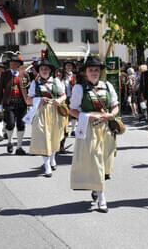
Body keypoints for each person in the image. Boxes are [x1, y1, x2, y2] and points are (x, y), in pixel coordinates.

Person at [69, 56, 119, 213]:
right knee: (96, 160)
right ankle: (102, 199)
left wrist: (110, 115)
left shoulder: (107, 86)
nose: (94, 72)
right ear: (85, 72)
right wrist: (88, 116)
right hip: (89, 129)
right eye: (90, 70)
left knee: (104, 163)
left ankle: (96, 188)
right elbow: (72, 110)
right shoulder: (79, 88)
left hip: (106, 130)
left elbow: (116, 106)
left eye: (96, 70)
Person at [25, 59, 67, 177]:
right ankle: (47, 166)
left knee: (54, 137)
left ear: (50, 70)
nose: (44, 71)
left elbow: (63, 95)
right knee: (44, 138)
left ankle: (52, 158)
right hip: (40, 113)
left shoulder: (56, 82)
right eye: (42, 69)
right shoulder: (35, 83)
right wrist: (39, 99)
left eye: (46, 69)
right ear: (39, 71)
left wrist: (58, 100)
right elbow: (28, 100)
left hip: (54, 112)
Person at [0, 53, 29, 155]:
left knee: (21, 125)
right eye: (11, 64)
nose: (13, 65)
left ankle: (19, 147)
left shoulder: (25, 75)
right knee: (10, 124)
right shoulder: (5, 75)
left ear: (19, 65)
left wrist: (31, 102)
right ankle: (10, 142)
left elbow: (28, 89)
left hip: (22, 103)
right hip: (9, 103)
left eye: (15, 64)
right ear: (9, 65)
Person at [63, 60, 77, 136]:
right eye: (67, 65)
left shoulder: (74, 76)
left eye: (70, 65)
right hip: (65, 96)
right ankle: (66, 129)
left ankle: (73, 130)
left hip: (73, 96)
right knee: (65, 112)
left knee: (74, 112)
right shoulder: (62, 75)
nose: (69, 67)